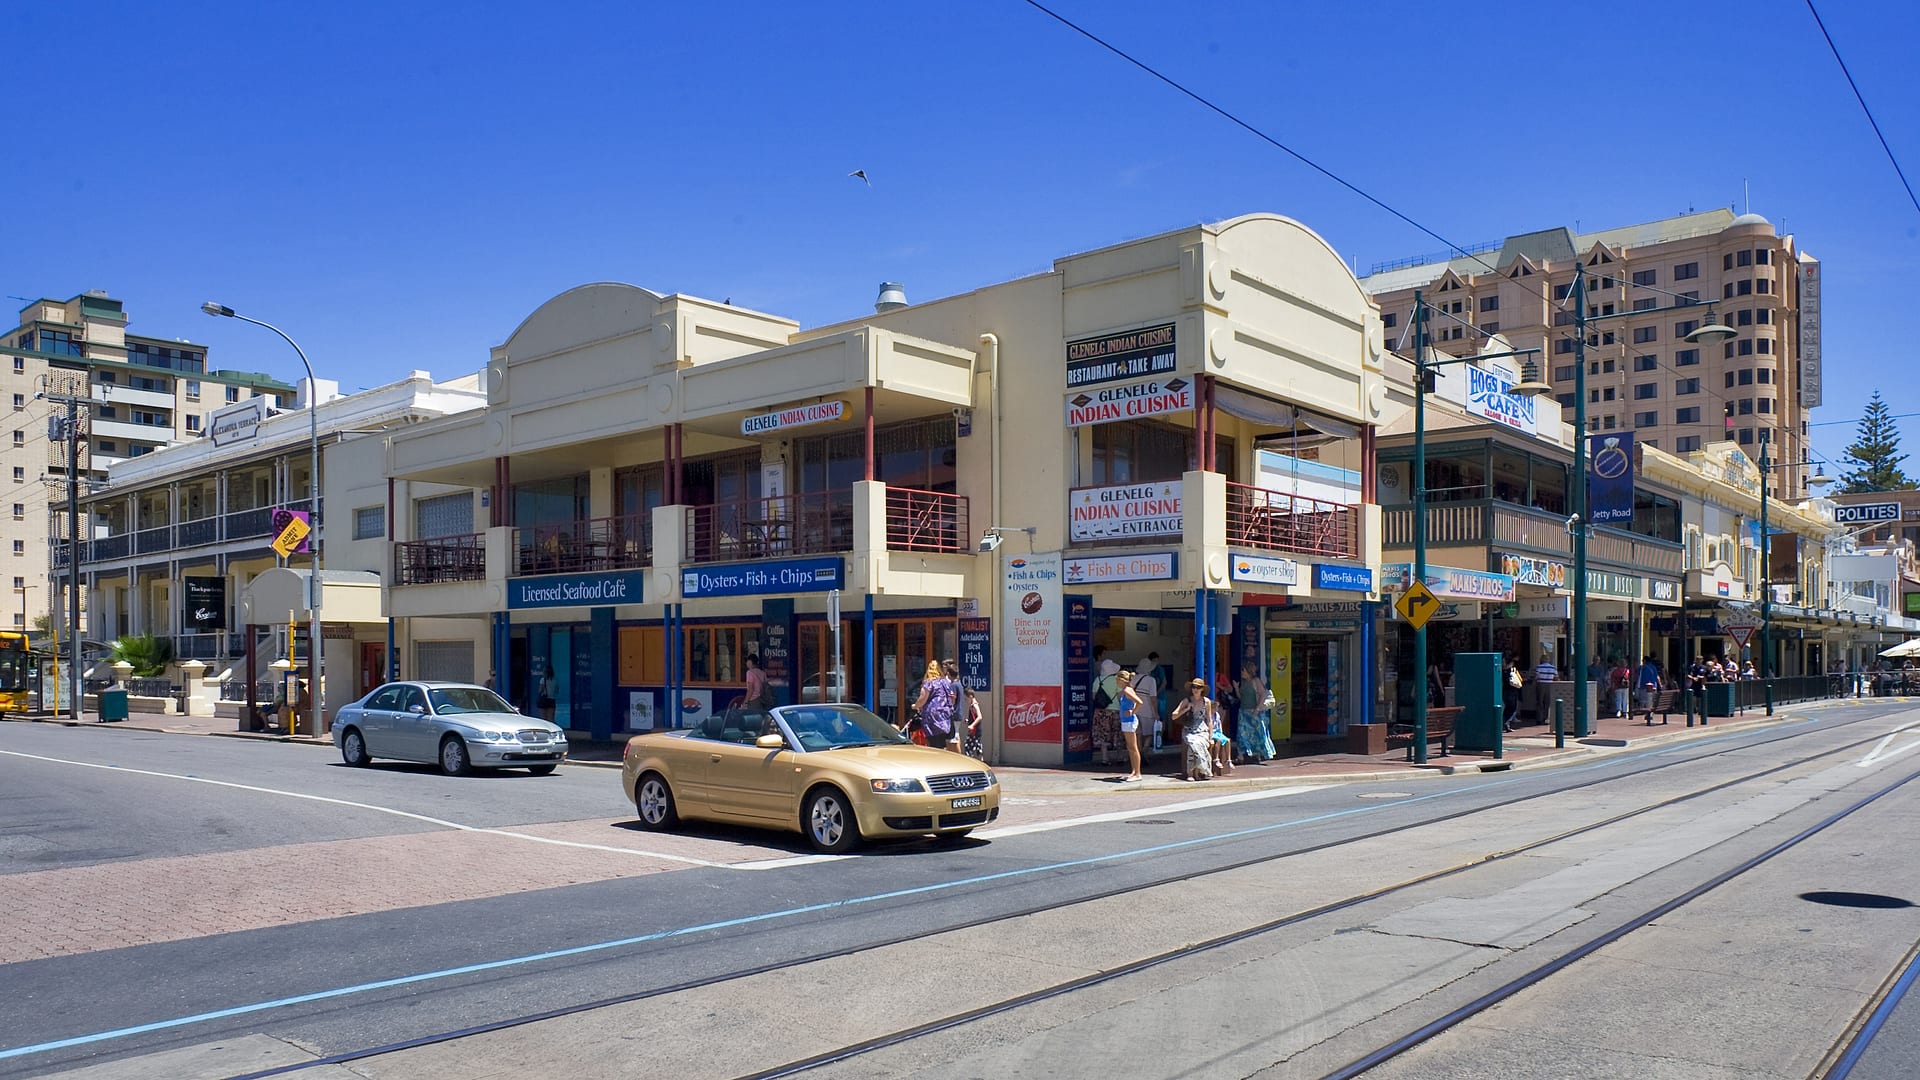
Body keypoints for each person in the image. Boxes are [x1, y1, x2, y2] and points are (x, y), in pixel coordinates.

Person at [1170, 678, 1215, 781]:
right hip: (1189, 730)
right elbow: (1173, 716)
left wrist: (1211, 736)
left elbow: (1209, 720)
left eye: (1198, 687)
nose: (1196, 689)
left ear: (1202, 689)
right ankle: (1191, 773)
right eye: (1194, 687)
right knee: (1192, 745)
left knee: (1200, 744)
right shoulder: (1186, 700)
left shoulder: (1206, 702)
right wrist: (1186, 709)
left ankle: (1198, 772)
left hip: (1202, 730)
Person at [910, 659, 960, 750]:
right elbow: (952, 698)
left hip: (932, 717)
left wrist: (915, 706)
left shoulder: (929, 683)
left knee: (934, 743)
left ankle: (936, 759)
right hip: (945, 717)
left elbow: (922, 699)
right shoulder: (945, 682)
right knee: (942, 743)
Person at [1235, 663, 1275, 764]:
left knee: (1258, 733)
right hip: (1243, 712)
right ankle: (1241, 756)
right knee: (1241, 734)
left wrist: (1257, 708)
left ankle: (1259, 754)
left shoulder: (1255, 681)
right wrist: (1236, 688)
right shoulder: (1243, 683)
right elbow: (1241, 697)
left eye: (1243, 670)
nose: (1242, 673)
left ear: (1248, 672)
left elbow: (1263, 693)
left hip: (1254, 711)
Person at [1091, 654, 1122, 765]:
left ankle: (1105, 758)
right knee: (1117, 733)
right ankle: (1119, 756)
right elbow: (1119, 696)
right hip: (1114, 710)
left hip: (1100, 711)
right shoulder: (1115, 680)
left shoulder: (1097, 680)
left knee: (1103, 734)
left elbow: (1094, 697)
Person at [1115, 669, 1144, 781]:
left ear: (1122, 680)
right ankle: (1134, 771)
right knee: (1130, 747)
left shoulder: (1127, 690)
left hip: (1129, 720)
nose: (1116, 683)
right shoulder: (1126, 690)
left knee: (1133, 747)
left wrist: (1132, 711)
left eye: (1117, 680)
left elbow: (1139, 702)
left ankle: (1137, 773)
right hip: (1126, 720)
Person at [1132, 653, 1161, 756]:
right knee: (1149, 734)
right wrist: (1156, 713)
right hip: (1148, 710)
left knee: (1138, 734)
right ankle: (1145, 751)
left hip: (1135, 710)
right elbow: (1153, 698)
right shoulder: (1151, 680)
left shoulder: (1133, 679)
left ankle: (1139, 755)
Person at [960, 686, 984, 758]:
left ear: (970, 696)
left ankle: (971, 760)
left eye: (966, 698)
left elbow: (980, 716)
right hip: (976, 731)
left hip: (975, 731)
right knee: (978, 747)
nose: (965, 700)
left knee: (968, 746)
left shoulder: (974, 706)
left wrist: (972, 725)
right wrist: (969, 721)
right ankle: (981, 761)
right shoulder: (972, 706)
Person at [1503, 656, 1523, 731]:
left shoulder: (1503, 671)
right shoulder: (1511, 670)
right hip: (1512, 691)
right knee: (1512, 708)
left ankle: (1505, 723)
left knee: (1507, 708)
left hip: (1505, 691)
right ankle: (1507, 723)